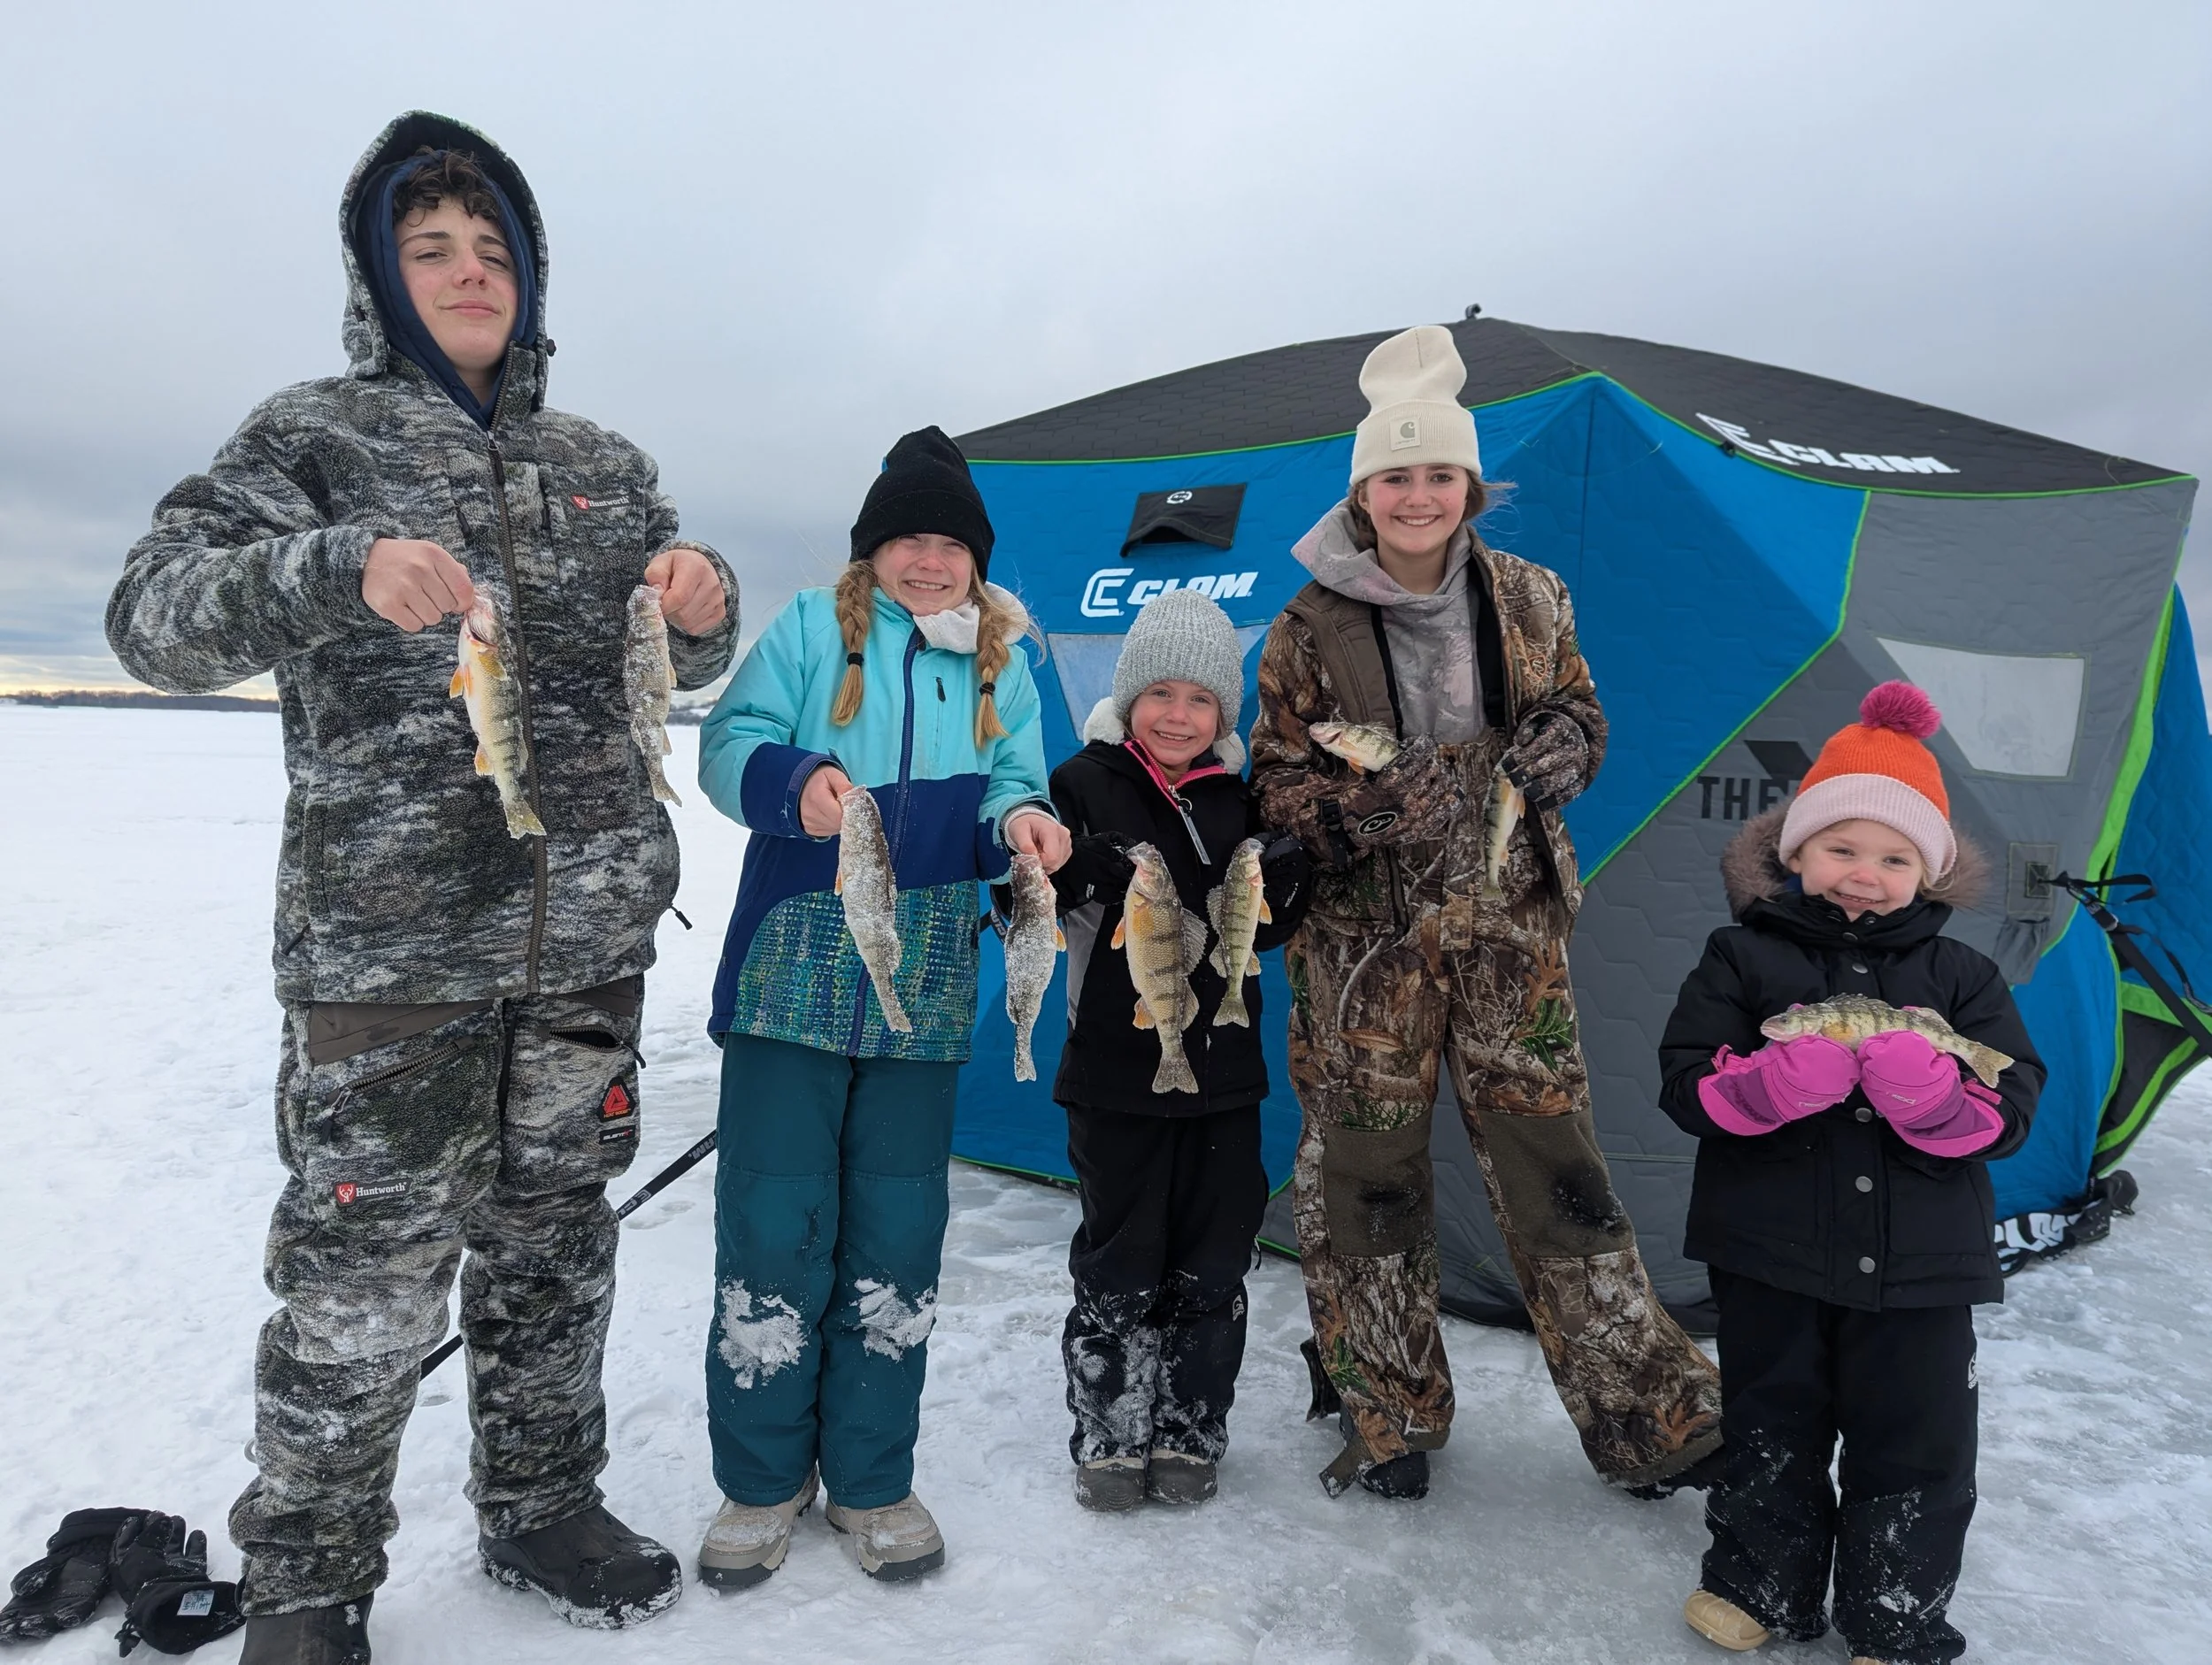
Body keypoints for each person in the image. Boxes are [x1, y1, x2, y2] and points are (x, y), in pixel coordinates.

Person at [105, 111, 739, 1661]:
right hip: (386, 962)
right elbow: (149, 618)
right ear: (379, 276)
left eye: (493, 252)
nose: (469, 275)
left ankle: (540, 1503)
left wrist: (709, 604)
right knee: (361, 1283)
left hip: (583, 947)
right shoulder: (307, 439)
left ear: (532, 279)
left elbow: (678, 659)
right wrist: (332, 567)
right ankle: (312, 1584)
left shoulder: (605, 467)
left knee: (553, 1248)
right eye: (431, 249)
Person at [1248, 324, 1724, 1500]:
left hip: (1511, 928)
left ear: (1470, 484)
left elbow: (1581, 709)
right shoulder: (1306, 625)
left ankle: (1650, 1414)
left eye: (1438, 474)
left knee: (1555, 1164)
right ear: (1364, 491)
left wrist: (1568, 742)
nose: (1418, 497)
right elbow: (1271, 780)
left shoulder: (1531, 595)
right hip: (1363, 954)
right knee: (1366, 1174)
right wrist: (1354, 818)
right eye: (1394, 476)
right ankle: (1388, 1414)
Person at [693, 426, 1068, 1585]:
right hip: (792, 979)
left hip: (932, 983)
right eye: (907, 537)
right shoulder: (815, 627)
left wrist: (1024, 825)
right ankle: (760, 1482)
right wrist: (792, 781)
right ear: (874, 548)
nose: (927, 560)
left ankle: (870, 1476)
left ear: (976, 558)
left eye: (948, 542)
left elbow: (1016, 780)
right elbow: (727, 740)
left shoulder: (1003, 657)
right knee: (771, 1228)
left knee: (898, 1238)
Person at [1660, 683, 2041, 1665]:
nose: (1863, 874)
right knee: (1769, 1423)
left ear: (1929, 872)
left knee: (1915, 1443)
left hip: (1921, 1269)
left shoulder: (1964, 978)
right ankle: (1758, 1585)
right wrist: (1770, 1081)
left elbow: (2010, 1108)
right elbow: (1686, 1082)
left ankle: (1896, 1613)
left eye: (1893, 857)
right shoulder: (1740, 956)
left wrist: (1937, 1098)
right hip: (1770, 1253)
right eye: (1840, 848)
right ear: (1795, 852)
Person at [1045, 589, 1314, 1510]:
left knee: (1212, 1256)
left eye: (1198, 699)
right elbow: (1031, 895)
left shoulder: (1243, 798)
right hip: (1116, 1069)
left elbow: (1266, 936)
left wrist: (1288, 877)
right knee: (1120, 1252)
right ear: (1127, 699)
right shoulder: (1081, 781)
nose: (1175, 714)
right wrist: (1085, 865)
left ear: (1222, 714)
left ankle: (1190, 1426)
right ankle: (1110, 1430)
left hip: (1225, 1075)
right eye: (1157, 693)